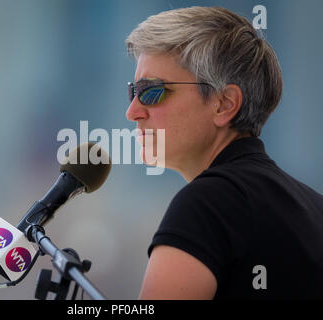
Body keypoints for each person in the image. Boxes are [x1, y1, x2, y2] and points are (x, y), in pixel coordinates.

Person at [125, 6, 323, 299]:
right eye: (132, 92)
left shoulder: (207, 204)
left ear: (224, 103)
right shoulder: (315, 207)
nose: (133, 112)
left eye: (152, 92)